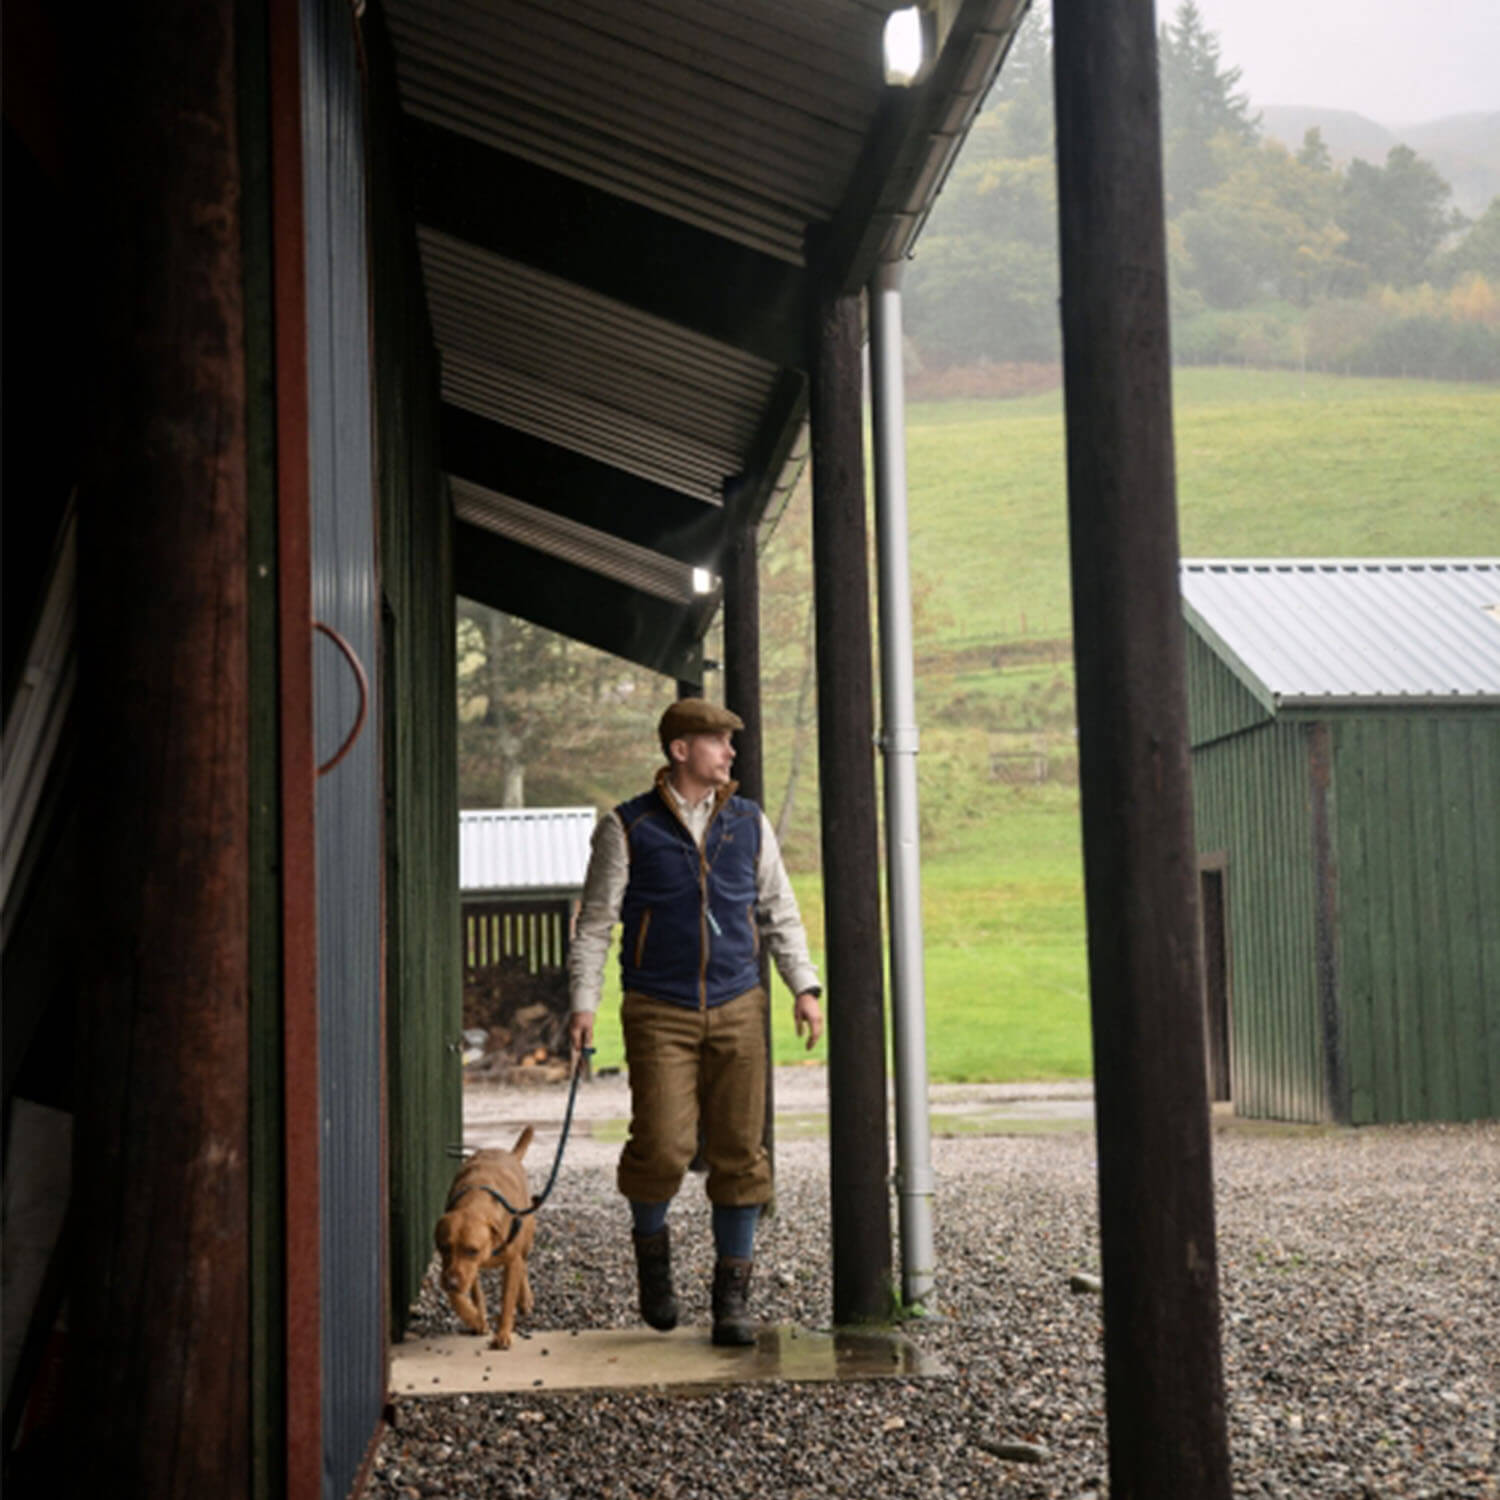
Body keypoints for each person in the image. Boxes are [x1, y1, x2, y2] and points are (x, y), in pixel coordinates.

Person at [567, 698, 823, 1347]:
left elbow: (779, 912)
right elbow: (596, 922)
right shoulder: (627, 827)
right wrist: (582, 1004)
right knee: (665, 1146)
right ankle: (653, 1266)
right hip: (658, 1008)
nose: (730, 752)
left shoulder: (749, 822)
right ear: (679, 750)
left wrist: (804, 986)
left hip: (740, 1002)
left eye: (729, 742)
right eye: (716, 740)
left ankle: (731, 1301)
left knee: (741, 1150)